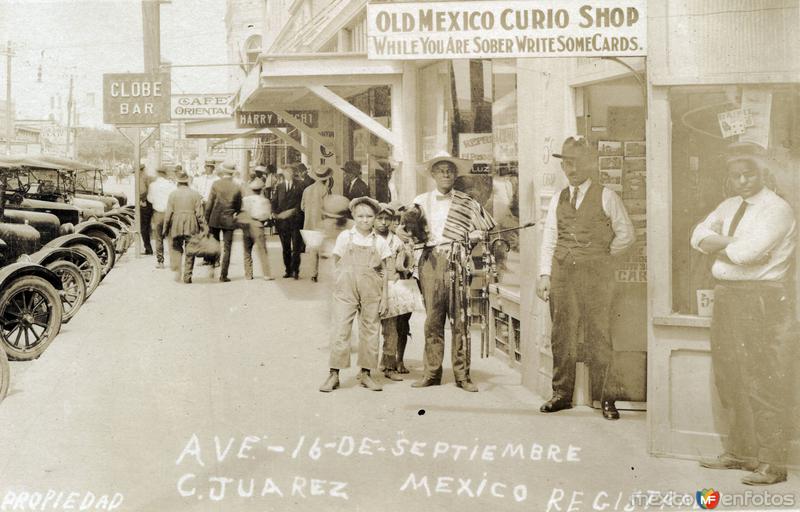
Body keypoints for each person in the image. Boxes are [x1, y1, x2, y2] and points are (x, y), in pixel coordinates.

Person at [691, 143, 796, 486]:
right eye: (735, 175)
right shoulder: (729, 205)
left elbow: (748, 255)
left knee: (763, 378)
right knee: (730, 376)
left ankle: (772, 463)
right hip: (728, 299)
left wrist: (721, 245)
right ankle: (741, 452)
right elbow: (697, 236)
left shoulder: (776, 209)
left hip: (761, 301)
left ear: (762, 173)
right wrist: (731, 243)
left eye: (748, 173)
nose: (742, 180)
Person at [536, 136, 635, 420]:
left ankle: (606, 398)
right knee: (562, 335)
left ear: (590, 164)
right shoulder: (559, 198)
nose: (572, 168)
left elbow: (626, 235)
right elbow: (550, 239)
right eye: (567, 163)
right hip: (562, 276)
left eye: (578, 163)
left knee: (599, 335)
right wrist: (545, 274)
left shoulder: (607, 196)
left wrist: (602, 256)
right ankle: (561, 394)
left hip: (596, 278)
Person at [411, 152, 495, 392]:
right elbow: (406, 229)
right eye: (441, 170)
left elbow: (486, 229)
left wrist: (474, 236)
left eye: (450, 170)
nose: (446, 174)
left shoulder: (467, 202)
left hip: (458, 262)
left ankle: (462, 375)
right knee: (432, 320)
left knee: (460, 319)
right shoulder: (420, 201)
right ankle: (431, 373)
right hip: (430, 262)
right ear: (433, 174)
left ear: (455, 174)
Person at [319, 197, 391, 393]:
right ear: (353, 216)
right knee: (341, 329)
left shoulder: (380, 242)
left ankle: (366, 374)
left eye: (369, 216)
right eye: (360, 216)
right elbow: (335, 260)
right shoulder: (345, 237)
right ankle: (334, 374)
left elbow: (385, 271)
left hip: (371, 291)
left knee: (370, 331)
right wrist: (339, 283)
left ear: (375, 218)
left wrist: (384, 297)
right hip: (346, 290)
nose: (365, 220)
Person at [374, 203, 410, 382]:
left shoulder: (396, 241)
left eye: (386, 219)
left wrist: (402, 266)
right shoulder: (369, 238)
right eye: (379, 218)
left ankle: (390, 365)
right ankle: (367, 367)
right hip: (371, 288)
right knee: (370, 328)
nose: (383, 222)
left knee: (391, 329)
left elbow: (402, 266)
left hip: (391, 288)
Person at [162, 171, 205, 283]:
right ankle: (187, 276)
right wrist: (204, 227)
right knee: (190, 250)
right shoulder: (195, 194)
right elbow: (199, 214)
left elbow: (168, 214)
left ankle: (178, 272)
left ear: (178, 182)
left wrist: (165, 229)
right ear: (187, 182)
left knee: (176, 248)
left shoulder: (173, 194)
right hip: (191, 224)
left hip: (176, 224)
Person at [205, 162, 242, 282]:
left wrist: (206, 219)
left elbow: (210, 203)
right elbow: (238, 206)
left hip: (214, 219)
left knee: (214, 244)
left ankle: (211, 266)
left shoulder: (216, 184)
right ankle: (223, 275)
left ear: (223, 171)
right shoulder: (236, 187)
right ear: (232, 173)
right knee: (227, 248)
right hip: (229, 220)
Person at [301, 167, 334, 282]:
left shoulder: (307, 189)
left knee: (313, 251)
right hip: (322, 223)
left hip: (309, 223)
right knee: (327, 250)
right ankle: (328, 275)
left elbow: (302, 207)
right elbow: (329, 207)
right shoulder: (325, 191)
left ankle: (313, 274)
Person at [271, 165, 305, 279]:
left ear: (292, 173)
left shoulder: (300, 185)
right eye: (285, 172)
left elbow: (301, 203)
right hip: (283, 223)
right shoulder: (279, 186)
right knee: (285, 248)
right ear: (283, 174)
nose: (288, 174)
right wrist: (274, 213)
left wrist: (293, 212)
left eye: (289, 172)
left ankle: (296, 270)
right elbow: (274, 202)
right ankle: (288, 270)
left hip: (296, 221)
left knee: (296, 248)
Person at [240, 178, 275, 281]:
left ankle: (248, 274)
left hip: (247, 226)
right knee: (262, 251)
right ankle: (266, 274)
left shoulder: (245, 200)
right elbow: (266, 216)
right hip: (258, 226)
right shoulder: (264, 201)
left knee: (247, 251)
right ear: (261, 190)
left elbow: (241, 212)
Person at [147, 167, 176, 269]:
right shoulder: (172, 185)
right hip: (170, 213)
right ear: (165, 173)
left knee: (158, 238)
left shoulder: (152, 185)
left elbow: (149, 199)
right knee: (171, 238)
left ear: (158, 173)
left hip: (158, 214)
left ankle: (160, 262)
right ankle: (173, 262)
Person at [137, 164, 154, 255]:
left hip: (145, 204)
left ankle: (148, 248)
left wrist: (142, 199)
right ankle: (148, 248)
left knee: (144, 228)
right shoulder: (148, 177)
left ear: (141, 170)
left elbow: (143, 191)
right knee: (147, 226)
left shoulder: (141, 178)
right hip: (150, 203)